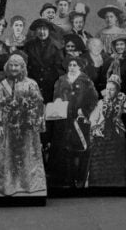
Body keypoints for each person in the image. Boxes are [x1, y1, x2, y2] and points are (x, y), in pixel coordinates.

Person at [0, 53, 47, 196]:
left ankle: (29, 184)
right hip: (8, 126)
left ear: (22, 67)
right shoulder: (3, 84)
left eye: (17, 65)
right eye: (11, 65)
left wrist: (33, 121)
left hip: (26, 126)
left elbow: (39, 104)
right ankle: (10, 185)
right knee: (9, 155)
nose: (13, 68)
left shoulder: (31, 83)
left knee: (27, 155)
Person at [50, 56, 98, 188]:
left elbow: (94, 99)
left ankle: (81, 178)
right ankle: (67, 179)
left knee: (82, 148)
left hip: (80, 120)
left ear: (80, 67)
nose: (72, 67)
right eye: (70, 65)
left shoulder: (86, 81)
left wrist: (85, 111)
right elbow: (56, 96)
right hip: (64, 121)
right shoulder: (61, 80)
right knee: (65, 149)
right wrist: (58, 101)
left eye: (74, 65)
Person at [88, 75, 126, 187]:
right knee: (99, 159)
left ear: (117, 91)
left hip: (116, 133)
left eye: (112, 89)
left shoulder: (121, 103)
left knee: (115, 158)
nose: (109, 92)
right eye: (108, 89)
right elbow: (93, 118)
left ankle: (115, 184)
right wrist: (96, 128)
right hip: (102, 133)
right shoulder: (101, 103)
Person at [23, 18, 65, 104]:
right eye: (39, 29)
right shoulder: (29, 46)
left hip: (50, 85)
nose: (42, 32)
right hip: (33, 83)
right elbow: (24, 65)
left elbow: (60, 69)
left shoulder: (56, 47)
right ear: (36, 31)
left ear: (49, 31)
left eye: (44, 29)